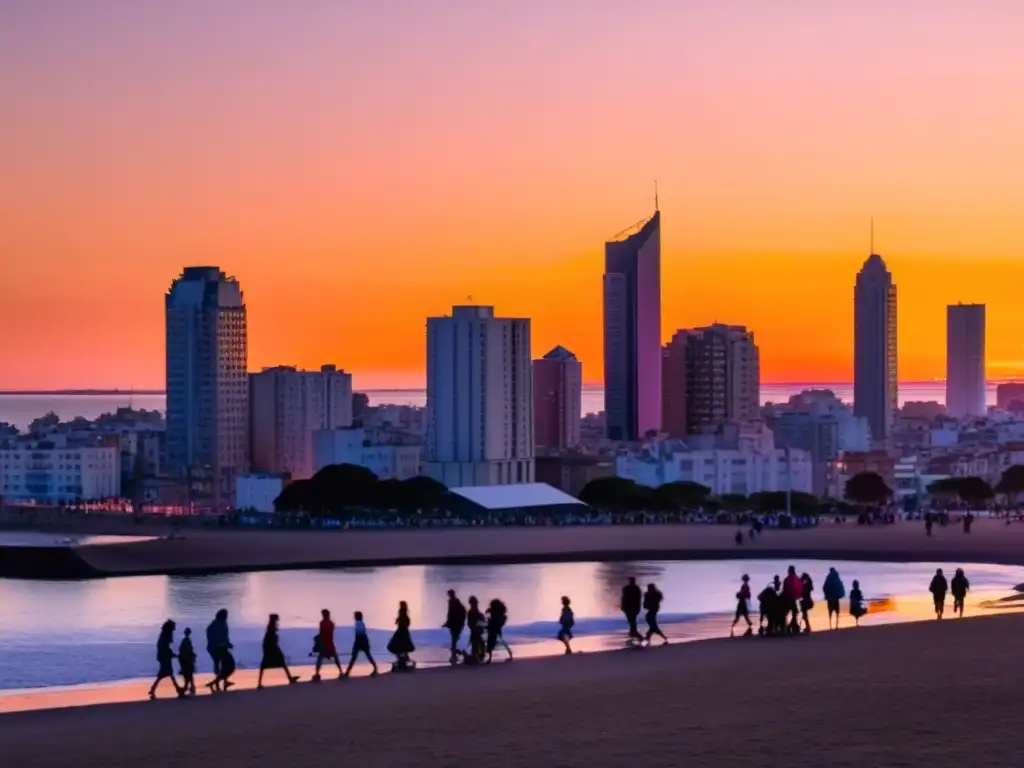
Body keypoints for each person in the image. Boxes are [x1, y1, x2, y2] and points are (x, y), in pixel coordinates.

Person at [257, 613, 299, 689]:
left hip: (269, 648)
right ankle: (290, 678)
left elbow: (269, 641)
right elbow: (272, 641)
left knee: (264, 665)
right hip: (271, 649)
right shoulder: (271, 629)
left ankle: (259, 683)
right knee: (281, 663)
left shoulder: (270, 628)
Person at [148, 620, 184, 700]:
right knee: (166, 673)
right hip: (164, 657)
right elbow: (165, 648)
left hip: (163, 656)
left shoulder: (163, 635)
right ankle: (178, 689)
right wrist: (171, 655)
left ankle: (153, 689)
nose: (174, 629)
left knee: (165, 674)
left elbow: (165, 647)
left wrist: (171, 654)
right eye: (173, 628)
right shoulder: (166, 636)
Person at [205, 608, 233, 692]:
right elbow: (213, 638)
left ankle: (222, 681)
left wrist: (227, 643)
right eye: (225, 616)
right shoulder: (214, 625)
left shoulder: (224, 624)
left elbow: (225, 636)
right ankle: (217, 682)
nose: (227, 617)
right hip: (215, 648)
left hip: (222, 647)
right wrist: (223, 644)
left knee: (226, 665)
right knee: (222, 665)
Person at [344, 611, 379, 677]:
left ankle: (347, 672)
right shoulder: (361, 623)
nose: (354, 617)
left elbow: (360, 632)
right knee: (367, 655)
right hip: (363, 641)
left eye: (355, 616)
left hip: (360, 641)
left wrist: (358, 641)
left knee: (354, 657)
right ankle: (375, 668)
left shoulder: (358, 623)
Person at [313, 609, 342, 681]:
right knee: (335, 658)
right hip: (330, 642)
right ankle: (341, 672)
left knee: (320, 659)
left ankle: (317, 674)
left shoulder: (322, 623)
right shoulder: (331, 623)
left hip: (324, 643)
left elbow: (321, 633)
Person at [387, 601, 416, 670]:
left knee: (397, 647)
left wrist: (398, 621)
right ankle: (403, 660)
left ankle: (401, 660)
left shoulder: (401, 613)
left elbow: (398, 622)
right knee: (404, 648)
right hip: (404, 632)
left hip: (400, 632)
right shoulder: (406, 614)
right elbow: (407, 623)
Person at [443, 590, 467, 664]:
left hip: (456, 624)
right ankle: (455, 655)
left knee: (454, 641)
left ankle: (454, 656)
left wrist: (449, 622)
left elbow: (451, 614)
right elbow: (450, 614)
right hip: (455, 624)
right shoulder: (453, 602)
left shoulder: (455, 602)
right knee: (454, 640)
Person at [485, 598, 513, 662]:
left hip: (494, 629)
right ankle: (509, 654)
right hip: (495, 629)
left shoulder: (494, 611)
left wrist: (489, 622)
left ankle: (489, 658)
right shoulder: (497, 611)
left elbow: (494, 620)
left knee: (492, 642)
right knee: (496, 642)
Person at [620, 577, 643, 643]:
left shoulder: (631, 588)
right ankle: (633, 633)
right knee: (632, 620)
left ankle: (633, 633)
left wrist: (622, 606)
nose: (632, 581)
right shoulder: (634, 588)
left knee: (631, 620)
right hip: (630, 607)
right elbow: (624, 598)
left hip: (631, 607)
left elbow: (624, 598)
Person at [782, 566, 803, 634]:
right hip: (792, 598)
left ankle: (788, 625)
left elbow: (784, 589)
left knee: (786, 613)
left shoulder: (787, 579)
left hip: (787, 598)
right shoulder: (796, 578)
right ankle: (791, 624)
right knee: (795, 612)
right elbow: (798, 588)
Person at [465, 596, 485, 665]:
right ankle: (476, 659)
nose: (475, 604)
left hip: (477, 631)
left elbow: (470, 623)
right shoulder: (471, 612)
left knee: (479, 644)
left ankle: (477, 658)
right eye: (473, 603)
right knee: (476, 645)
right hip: (475, 631)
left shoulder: (474, 612)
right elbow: (470, 623)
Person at [178, 626, 197, 696]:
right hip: (186, 660)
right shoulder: (187, 641)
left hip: (185, 660)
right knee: (188, 675)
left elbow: (183, 650)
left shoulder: (185, 641)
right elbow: (188, 651)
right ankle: (190, 688)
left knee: (188, 675)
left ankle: (191, 687)